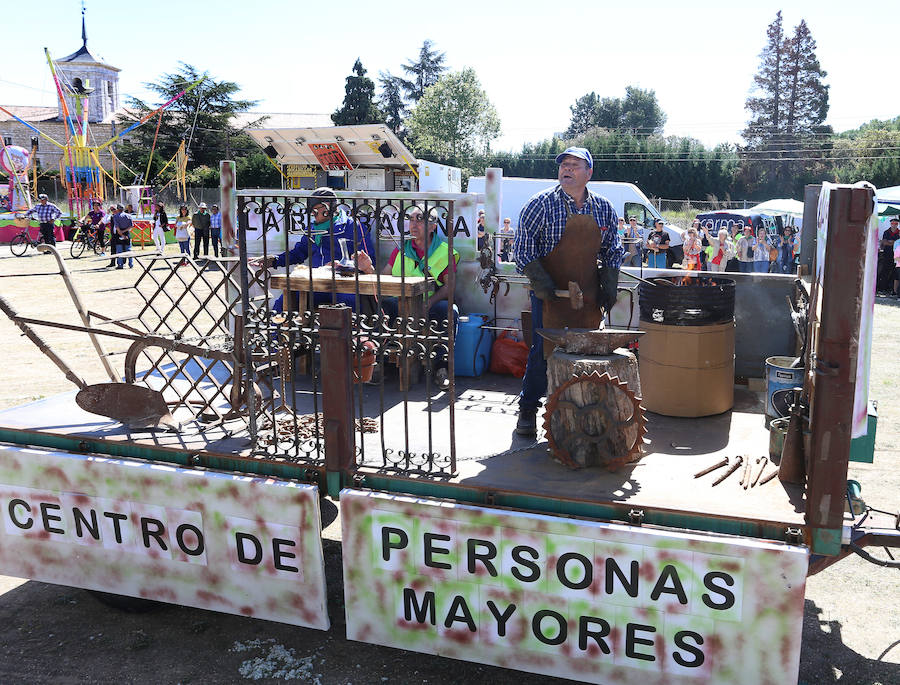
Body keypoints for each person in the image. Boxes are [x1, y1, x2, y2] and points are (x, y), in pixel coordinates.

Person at [513, 146, 623, 437]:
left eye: (575, 165)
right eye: (564, 164)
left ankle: (581, 411)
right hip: (549, 296)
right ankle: (528, 408)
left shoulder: (603, 208)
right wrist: (542, 283)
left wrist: (609, 283)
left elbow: (614, 249)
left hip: (588, 295)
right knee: (542, 353)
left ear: (589, 173)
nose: (567, 169)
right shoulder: (539, 205)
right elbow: (522, 251)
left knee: (587, 350)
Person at [355, 206, 459, 388]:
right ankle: (377, 362)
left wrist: (428, 303)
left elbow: (449, 288)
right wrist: (368, 270)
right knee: (383, 308)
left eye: (419, 220)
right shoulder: (401, 250)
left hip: (430, 303)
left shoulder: (445, 251)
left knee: (450, 311)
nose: (413, 224)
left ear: (433, 226)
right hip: (400, 302)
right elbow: (383, 280)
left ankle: (443, 368)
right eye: (411, 220)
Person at [249, 187, 374, 313]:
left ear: (328, 206)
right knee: (283, 302)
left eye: (315, 209)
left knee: (347, 304)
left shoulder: (353, 226)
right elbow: (299, 253)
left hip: (344, 286)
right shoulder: (312, 229)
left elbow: (368, 260)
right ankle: (277, 332)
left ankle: (349, 332)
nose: (313, 214)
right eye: (311, 211)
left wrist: (343, 267)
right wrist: (274, 260)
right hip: (315, 285)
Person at [877, 217, 900, 294]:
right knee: (885, 271)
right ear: (890, 224)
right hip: (887, 255)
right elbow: (884, 242)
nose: (894, 225)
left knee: (894, 273)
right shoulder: (886, 232)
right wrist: (892, 242)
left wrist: (890, 242)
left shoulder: (899, 232)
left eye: (896, 223)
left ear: (897, 224)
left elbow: (896, 243)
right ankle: (882, 288)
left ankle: (891, 289)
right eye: (892, 223)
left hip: (896, 256)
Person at [111, 204, 134, 269]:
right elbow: (131, 226)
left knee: (119, 250)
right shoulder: (129, 216)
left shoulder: (115, 216)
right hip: (127, 233)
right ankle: (131, 263)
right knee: (128, 249)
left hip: (119, 234)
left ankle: (120, 264)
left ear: (118, 209)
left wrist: (121, 233)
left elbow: (117, 227)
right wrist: (124, 232)